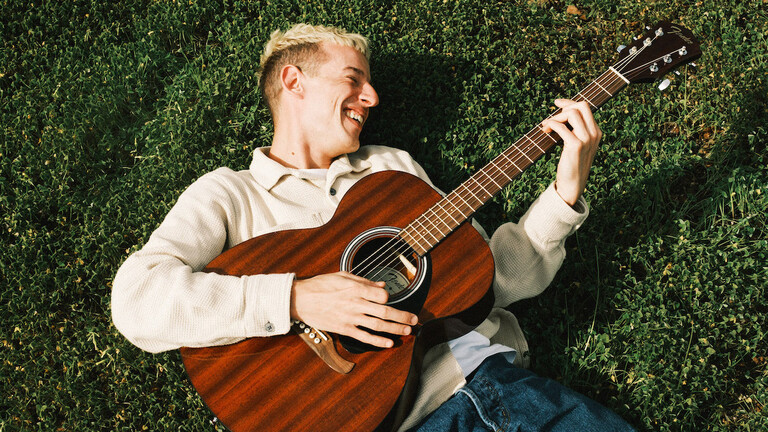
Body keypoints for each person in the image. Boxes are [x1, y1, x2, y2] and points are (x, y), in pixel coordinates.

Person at [112, 23, 634, 431]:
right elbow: (137, 300)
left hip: (500, 391)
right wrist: (295, 298)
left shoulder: (391, 170)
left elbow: (486, 282)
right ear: (294, 80)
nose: (372, 97)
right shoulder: (230, 195)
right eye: (353, 79)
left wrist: (564, 194)